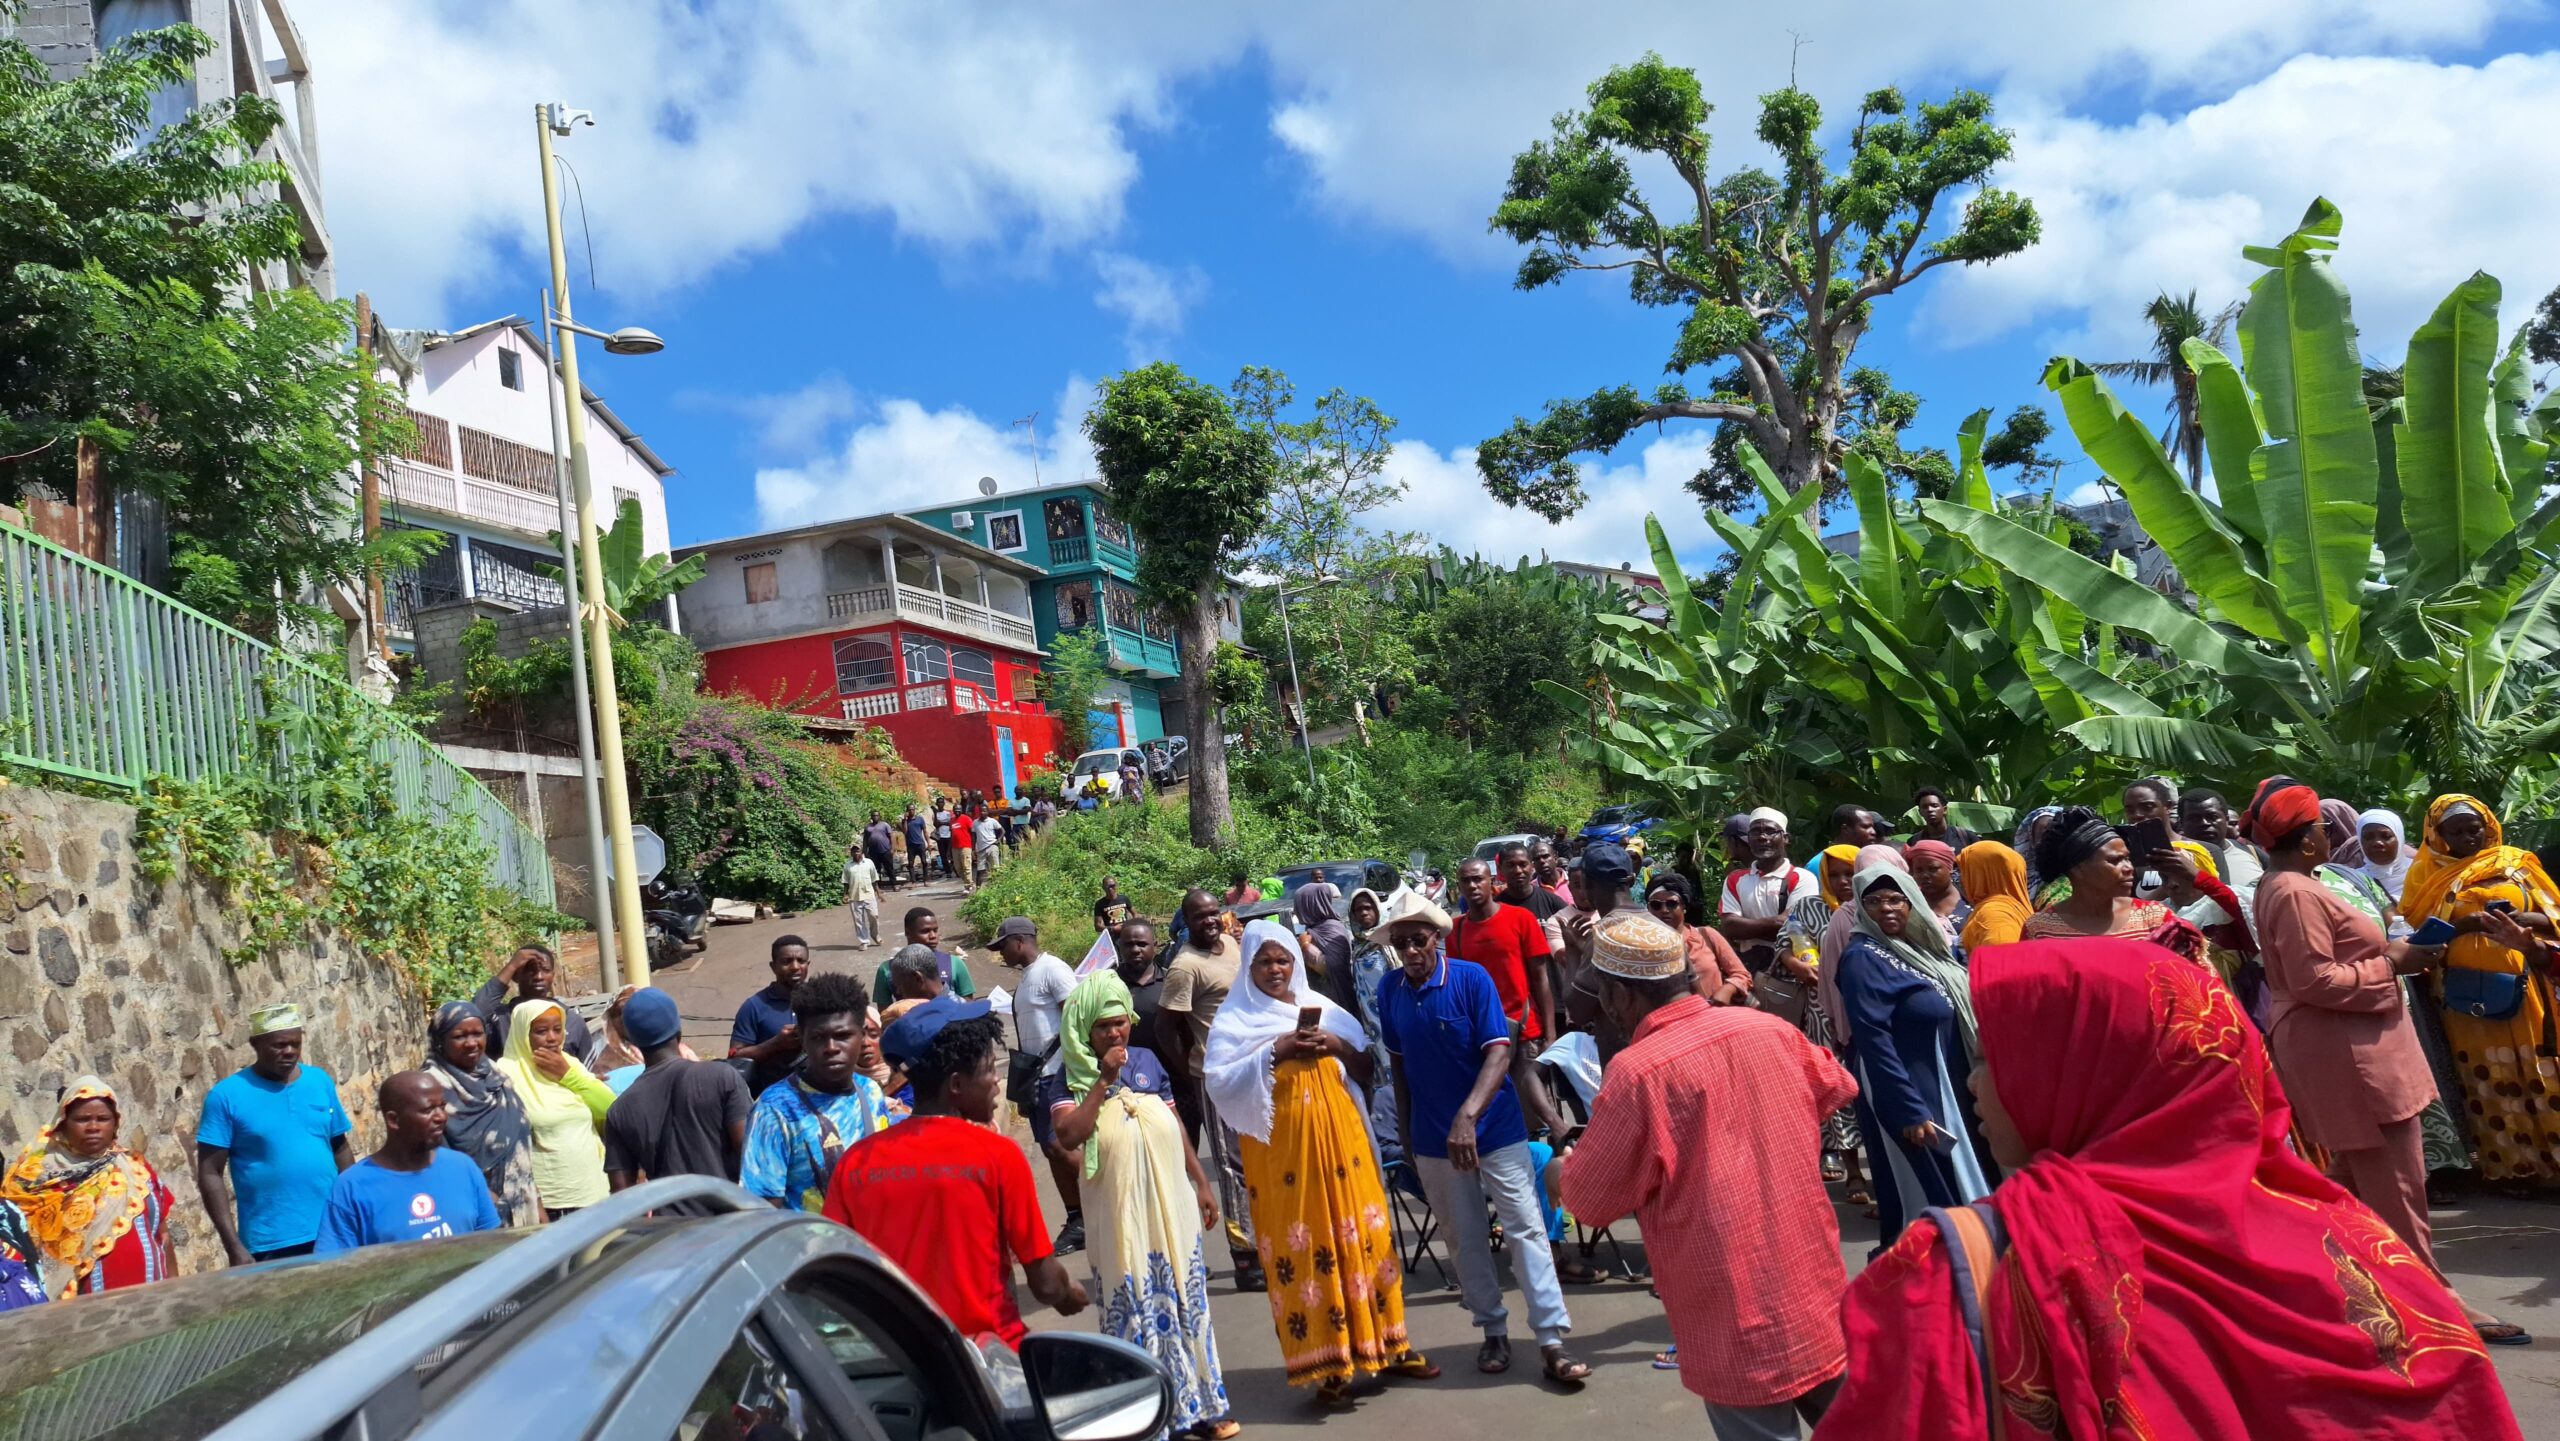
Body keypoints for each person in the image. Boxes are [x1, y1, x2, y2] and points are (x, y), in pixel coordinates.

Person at [1812, 939, 2527, 1441]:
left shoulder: (1962, 1267)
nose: (1971, 1085)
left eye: (1996, 1059)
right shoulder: (2365, 1250)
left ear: (2090, 1073)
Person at [2240, 780, 2523, 1342]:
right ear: (2310, 839)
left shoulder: (2296, 882)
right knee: (2398, 1185)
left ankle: (2313, 1286)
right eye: (2322, 826)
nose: (2329, 834)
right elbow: (2314, 978)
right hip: (2349, 1049)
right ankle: (2435, 1302)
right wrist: (2393, 961)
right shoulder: (2295, 891)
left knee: (2350, 1181)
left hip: (2352, 1043)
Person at [1563, 914, 1857, 1440]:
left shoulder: (1638, 1072)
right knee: (1866, 1424)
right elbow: (1835, 1085)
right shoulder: (1768, 1029)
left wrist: (1557, 1169)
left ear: (1619, 998)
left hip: (1731, 1309)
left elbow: (1589, 1200)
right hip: (1812, 1285)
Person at [1212, 918, 1439, 1405]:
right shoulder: (1235, 1022)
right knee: (1306, 1245)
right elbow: (1220, 1083)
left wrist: (1332, 1045)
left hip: (1345, 1144)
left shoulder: (1327, 1012)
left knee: (1366, 1236)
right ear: (1248, 968)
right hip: (1284, 1159)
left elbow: (1366, 1067)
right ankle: (1330, 1364)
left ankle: (1392, 1346)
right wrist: (1279, 1049)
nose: (1275, 969)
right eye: (1264, 962)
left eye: (1283, 960)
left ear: (1295, 963)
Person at [1374, 896, 1586, 1389]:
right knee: (1464, 1238)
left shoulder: (1470, 979)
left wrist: (1468, 1116)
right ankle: (1492, 1329)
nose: (1410, 949)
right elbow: (1399, 1067)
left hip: (1494, 1129)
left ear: (1437, 938)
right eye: (1401, 941)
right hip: (1432, 1138)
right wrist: (1408, 1137)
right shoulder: (1390, 990)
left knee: (1525, 1230)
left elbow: (1498, 1052)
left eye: (1418, 939)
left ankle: (1552, 1339)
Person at [822, 996, 1089, 1348]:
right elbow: (1047, 1285)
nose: (997, 1081)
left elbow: (835, 1274)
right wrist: (1070, 1296)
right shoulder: (998, 1155)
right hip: (988, 1362)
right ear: (956, 1085)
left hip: (901, 1362)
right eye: (990, 1068)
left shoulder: (856, 1163)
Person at [1044, 972, 1240, 1439]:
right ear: (1084, 1030)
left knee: (1185, 1300)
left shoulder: (1148, 1059)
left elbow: (1174, 1124)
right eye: (1104, 1027)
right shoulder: (1065, 1079)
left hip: (1170, 1206)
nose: (1116, 1033)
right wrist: (1103, 1081)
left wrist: (1201, 1184)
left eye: (1121, 1023)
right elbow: (1069, 1136)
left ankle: (1200, 1408)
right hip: (1118, 1215)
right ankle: (1149, 1419)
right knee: (1133, 1302)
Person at [2400, 794, 2560, 1185]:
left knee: (2543, 1069)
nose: (2469, 837)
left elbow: (2555, 914)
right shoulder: (2426, 876)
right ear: (2438, 836)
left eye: (2475, 828)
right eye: (2456, 832)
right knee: (2487, 1078)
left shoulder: (2517, 865)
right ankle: (2514, 1170)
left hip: (2527, 990)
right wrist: (2466, 925)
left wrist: (2524, 918)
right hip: (2463, 996)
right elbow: (2417, 933)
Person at [1834, 867, 1994, 1245]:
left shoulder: (1921, 947)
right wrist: (1908, 1109)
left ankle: (1967, 1269)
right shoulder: (1862, 957)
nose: (1886, 908)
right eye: (1873, 901)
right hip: (1909, 1088)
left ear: (1911, 903)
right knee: (1927, 1192)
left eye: (1895, 899)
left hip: (1945, 1080)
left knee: (1959, 1181)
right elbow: (1873, 1038)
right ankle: (1926, 1280)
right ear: (1860, 907)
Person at [195, 1003, 355, 1264]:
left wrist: (354, 1207)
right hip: (270, 1240)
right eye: (279, 1045)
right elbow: (210, 1172)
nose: (289, 1052)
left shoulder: (319, 1081)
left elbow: (340, 1147)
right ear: (255, 1044)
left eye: (295, 1043)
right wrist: (232, 1245)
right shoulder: (226, 1096)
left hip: (332, 1229)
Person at [1157, 888, 1258, 1287]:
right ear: (1187, 921)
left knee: (1257, 1160)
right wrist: (1190, 1071)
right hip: (1216, 1079)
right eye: (1201, 916)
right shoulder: (1185, 966)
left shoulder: (1231, 947)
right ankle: (1245, 1257)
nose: (1211, 920)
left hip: (1252, 1073)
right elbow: (1166, 1028)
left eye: (1215, 912)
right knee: (1232, 1168)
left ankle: (1267, 1241)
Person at [6, 1077, 176, 1294]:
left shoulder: (136, 1169)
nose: (93, 1127)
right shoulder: (35, 1179)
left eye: (103, 1119)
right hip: (78, 1312)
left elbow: (163, 1236)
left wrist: (176, 1292)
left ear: (115, 1123)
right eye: (82, 1119)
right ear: (63, 1123)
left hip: (153, 1302)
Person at [742, 974, 896, 1211]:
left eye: (843, 1036)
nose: (831, 1048)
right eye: (818, 1038)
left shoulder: (870, 1092)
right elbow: (762, 1211)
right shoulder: (774, 1111)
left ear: (862, 1034)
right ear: (802, 1039)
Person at [314, 1072, 502, 1254]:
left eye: (442, 1106)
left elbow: (490, 1243)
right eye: (428, 1110)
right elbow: (335, 1267)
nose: (441, 1117)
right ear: (393, 1120)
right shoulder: (352, 1187)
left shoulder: (463, 1168)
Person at [605, 987, 753, 1200]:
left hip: (671, 1228)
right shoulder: (721, 1077)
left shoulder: (620, 1110)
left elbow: (621, 1195)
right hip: (730, 1221)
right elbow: (751, 1156)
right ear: (678, 1030)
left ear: (633, 1040)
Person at [1003, 916, 1086, 1252]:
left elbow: (1076, 1016)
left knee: (1061, 1147)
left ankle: (1109, 1198)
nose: (1001, 953)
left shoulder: (1053, 969)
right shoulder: (1026, 978)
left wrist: (1075, 1068)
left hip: (1058, 1073)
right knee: (1051, 1151)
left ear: (1020, 941)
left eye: (1003, 945)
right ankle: (1077, 1218)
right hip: (1036, 1077)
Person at [493, 996, 613, 1217]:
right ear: (523, 1034)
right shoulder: (506, 1074)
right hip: (551, 1203)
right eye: (541, 1031)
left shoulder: (570, 1064)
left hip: (594, 1192)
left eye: (558, 1030)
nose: (552, 1038)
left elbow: (611, 1109)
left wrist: (567, 1075)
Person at [2019, 807, 2197, 955]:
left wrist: (2199, 879)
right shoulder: (2040, 929)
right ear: (2078, 869)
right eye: (2115, 861)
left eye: (2128, 859)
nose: (2129, 868)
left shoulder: (2156, 919)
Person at [425, 1001, 541, 1227]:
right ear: (439, 1041)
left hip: (521, 1204)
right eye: (459, 1037)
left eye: (478, 1034)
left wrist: (536, 1202)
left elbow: (518, 1145)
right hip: (471, 1214)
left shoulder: (497, 1076)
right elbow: (436, 1162)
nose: (471, 1043)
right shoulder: (431, 1087)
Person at [1721, 810, 1819, 974]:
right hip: (1750, 970)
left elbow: (1793, 926)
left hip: (1793, 972)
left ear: (1785, 838)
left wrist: (1747, 928)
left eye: (1770, 831)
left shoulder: (1802, 878)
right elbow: (1729, 927)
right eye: (1755, 832)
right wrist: (1776, 924)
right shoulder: (1735, 880)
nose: (1762, 837)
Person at [473, 944, 594, 1062]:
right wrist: (511, 966)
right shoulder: (501, 1019)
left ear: (552, 975)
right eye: (530, 971)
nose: (539, 976)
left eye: (545, 970)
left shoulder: (572, 1021)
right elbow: (474, 1013)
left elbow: (591, 1073)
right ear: (515, 976)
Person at [1645, 872, 1750, 1005]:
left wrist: (1727, 991)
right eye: (1656, 905)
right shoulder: (1642, 946)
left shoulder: (1706, 935)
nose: (1664, 910)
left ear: (1684, 907)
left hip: (1714, 1017)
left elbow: (1741, 975)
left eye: (1671, 904)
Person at [731, 935, 812, 1095]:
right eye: (786, 961)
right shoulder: (754, 1006)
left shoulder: (822, 999)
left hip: (820, 1097)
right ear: (773, 966)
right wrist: (775, 1044)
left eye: (801, 961)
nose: (795, 967)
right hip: (771, 1098)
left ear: (808, 964)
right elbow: (735, 1058)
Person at [870, 908, 979, 1007]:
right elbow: (885, 1013)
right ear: (908, 933)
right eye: (925, 931)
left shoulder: (954, 963)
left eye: (935, 930)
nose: (933, 936)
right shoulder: (887, 969)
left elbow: (968, 1004)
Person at [1954, 840, 2033, 953]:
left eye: (1964, 871)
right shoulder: (2013, 908)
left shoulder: (1994, 915)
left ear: (1981, 874)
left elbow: (2003, 963)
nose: (1960, 879)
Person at [1292, 880, 1356, 1012]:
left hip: (1338, 998)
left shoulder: (1332, 928)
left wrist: (1305, 946)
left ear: (1309, 905)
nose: (1295, 910)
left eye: (1298, 904)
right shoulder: (1313, 929)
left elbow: (1334, 966)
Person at [1903, 838, 1965, 944]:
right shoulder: (1909, 905)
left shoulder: (1970, 899)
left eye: (1933, 869)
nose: (1925, 875)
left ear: (1949, 868)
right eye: (1919, 870)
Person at [1116, 917, 1168, 1034]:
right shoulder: (1108, 983)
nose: (1135, 950)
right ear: (1120, 947)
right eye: (1128, 945)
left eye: (1142, 944)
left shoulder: (1171, 981)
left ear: (1154, 946)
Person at [1498, 842, 1567, 924]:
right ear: (1500, 869)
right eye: (1510, 865)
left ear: (1531, 866)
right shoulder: (1494, 909)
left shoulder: (1553, 902)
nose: (1518, 871)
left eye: (1523, 864)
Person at [2359, 808, 2414, 901]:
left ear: (2399, 838)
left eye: (2386, 837)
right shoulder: (2354, 880)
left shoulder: (2423, 874)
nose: (2377, 843)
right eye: (2368, 837)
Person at [1908, 787, 1978, 851]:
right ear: (1920, 812)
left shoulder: (1965, 837)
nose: (1929, 809)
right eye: (1924, 807)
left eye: (1934, 806)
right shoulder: (1914, 842)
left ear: (1944, 810)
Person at [846, 846, 881, 949]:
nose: (856, 853)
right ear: (851, 853)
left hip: (869, 895)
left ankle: (875, 935)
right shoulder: (847, 865)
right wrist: (845, 894)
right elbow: (845, 882)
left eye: (858, 851)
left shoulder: (869, 863)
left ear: (862, 851)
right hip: (854, 896)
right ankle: (864, 941)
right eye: (854, 851)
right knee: (858, 920)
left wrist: (879, 893)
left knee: (874, 916)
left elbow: (874, 879)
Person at [864, 811, 898, 892]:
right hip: (873, 852)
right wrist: (865, 851)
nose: (875, 817)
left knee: (889, 868)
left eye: (877, 815)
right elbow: (865, 840)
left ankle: (894, 885)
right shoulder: (868, 827)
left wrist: (892, 849)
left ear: (879, 816)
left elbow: (891, 836)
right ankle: (878, 887)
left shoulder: (885, 825)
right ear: (871, 817)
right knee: (875, 870)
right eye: (873, 815)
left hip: (885, 850)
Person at [902, 806, 930, 885]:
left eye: (912, 809)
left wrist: (929, 843)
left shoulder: (920, 819)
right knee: (910, 864)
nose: (911, 811)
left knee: (924, 862)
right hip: (911, 845)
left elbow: (925, 831)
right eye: (909, 810)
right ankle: (913, 882)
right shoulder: (905, 821)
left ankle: (925, 880)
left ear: (915, 810)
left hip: (920, 844)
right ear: (907, 811)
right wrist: (904, 820)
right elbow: (905, 831)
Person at [933, 800, 957, 878]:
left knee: (951, 854)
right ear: (937, 804)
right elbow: (936, 824)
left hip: (948, 836)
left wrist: (942, 823)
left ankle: (956, 869)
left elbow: (950, 823)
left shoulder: (947, 814)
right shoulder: (935, 814)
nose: (940, 804)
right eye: (939, 802)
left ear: (943, 804)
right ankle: (948, 871)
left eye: (941, 802)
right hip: (940, 837)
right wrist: (935, 813)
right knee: (943, 856)